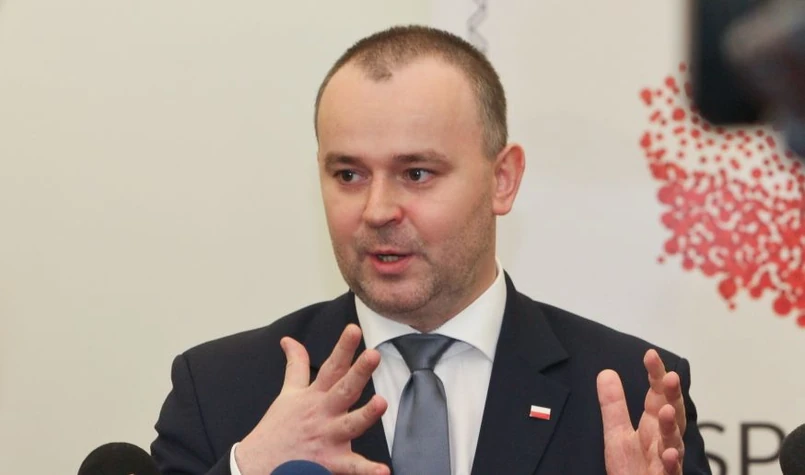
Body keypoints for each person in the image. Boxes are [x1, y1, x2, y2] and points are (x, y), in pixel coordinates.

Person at [150, 25, 711, 475]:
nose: (377, 210)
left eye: (416, 173)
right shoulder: (221, 390)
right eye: (348, 174)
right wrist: (248, 470)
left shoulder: (626, 393)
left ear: (503, 180)